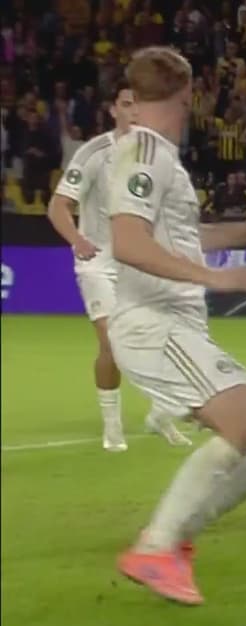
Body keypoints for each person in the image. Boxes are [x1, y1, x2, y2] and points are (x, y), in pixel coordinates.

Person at [108, 46, 246, 606]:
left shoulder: (157, 155)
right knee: (245, 421)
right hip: (153, 324)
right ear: (189, 94)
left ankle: (173, 539)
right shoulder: (145, 153)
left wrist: (245, 231)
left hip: (175, 325)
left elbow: (177, 235)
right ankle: (156, 546)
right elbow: (129, 243)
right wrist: (217, 278)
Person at [46, 80, 190, 450]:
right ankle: (112, 427)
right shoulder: (94, 152)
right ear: (114, 110)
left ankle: (160, 414)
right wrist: (77, 240)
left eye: (140, 104)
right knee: (113, 342)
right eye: (127, 104)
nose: (134, 111)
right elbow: (58, 205)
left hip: (140, 263)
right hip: (99, 261)